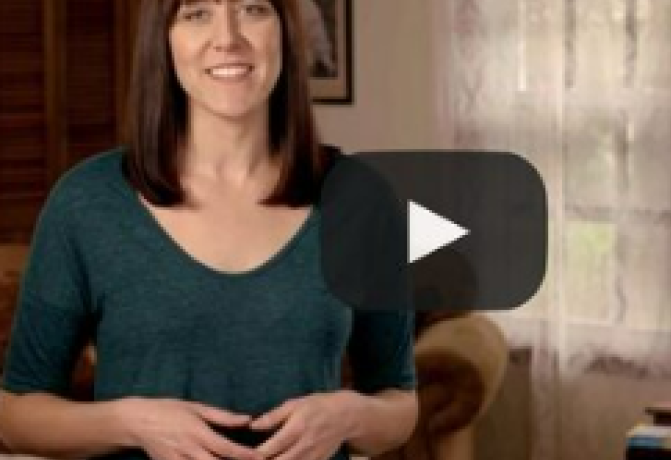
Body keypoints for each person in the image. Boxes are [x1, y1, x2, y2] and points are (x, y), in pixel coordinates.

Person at [0, 1, 418, 460]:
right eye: (197, 13)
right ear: (164, 39)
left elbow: (398, 403)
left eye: (253, 9)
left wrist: (349, 416)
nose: (228, 38)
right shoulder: (85, 203)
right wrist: (129, 422)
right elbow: (17, 415)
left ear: (285, 32)